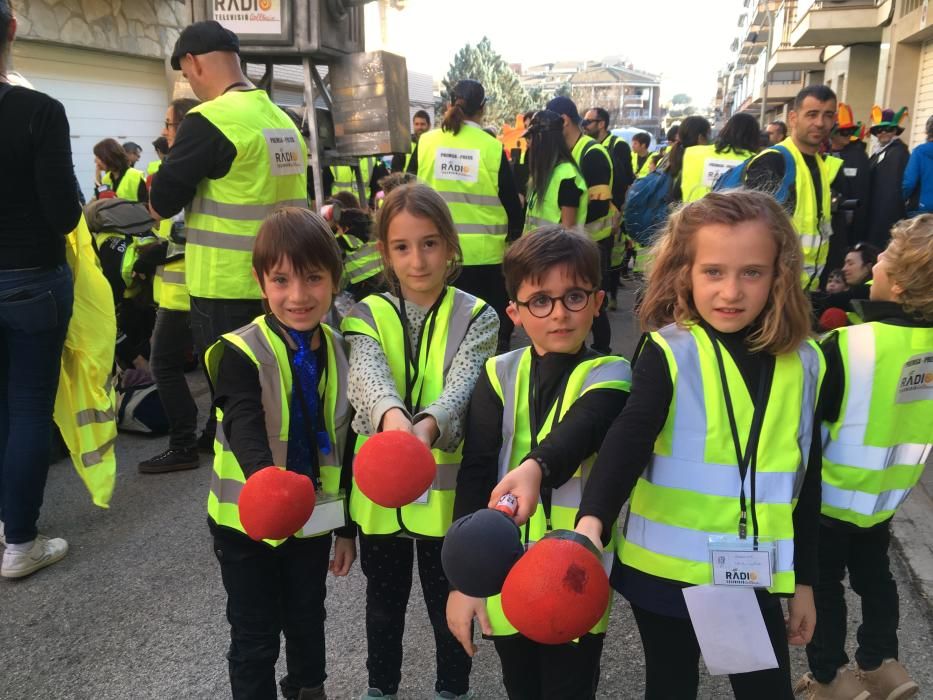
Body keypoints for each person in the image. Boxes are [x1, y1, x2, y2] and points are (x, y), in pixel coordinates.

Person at [575, 190, 823, 698]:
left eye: (751, 272)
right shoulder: (670, 350)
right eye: (713, 271)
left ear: (780, 274)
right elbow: (630, 435)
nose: (730, 291)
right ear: (684, 271)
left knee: (765, 690)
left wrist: (805, 581)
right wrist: (591, 522)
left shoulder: (807, 364)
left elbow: (807, 478)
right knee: (670, 686)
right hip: (665, 575)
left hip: (749, 572)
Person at [447, 226, 631, 699]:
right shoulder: (497, 372)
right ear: (515, 312)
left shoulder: (612, 372)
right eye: (540, 301)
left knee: (570, 688)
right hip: (506, 568)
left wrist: (534, 468)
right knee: (520, 686)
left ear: (596, 301)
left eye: (574, 296)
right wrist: (465, 580)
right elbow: (477, 471)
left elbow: (583, 428)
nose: (559, 314)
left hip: (574, 572)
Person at [340, 184, 498, 700]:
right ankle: (380, 689)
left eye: (430, 243)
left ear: (450, 245)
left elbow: (463, 385)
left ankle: (452, 689)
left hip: (446, 500)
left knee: (445, 604)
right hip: (379, 494)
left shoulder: (479, 316)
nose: (418, 259)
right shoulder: (363, 314)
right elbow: (368, 378)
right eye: (402, 247)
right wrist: (394, 426)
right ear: (384, 252)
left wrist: (422, 432)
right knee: (382, 605)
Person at [206, 207, 356, 700]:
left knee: (308, 616)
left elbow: (348, 440)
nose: (298, 296)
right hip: (246, 522)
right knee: (254, 634)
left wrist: (345, 528)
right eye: (282, 279)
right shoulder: (240, 350)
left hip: (311, 517)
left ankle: (308, 688)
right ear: (260, 281)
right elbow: (242, 419)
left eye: (313, 278)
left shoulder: (340, 349)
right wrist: (265, 481)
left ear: (333, 279)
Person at [149, 20, 308, 449]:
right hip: (285, 288)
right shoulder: (282, 120)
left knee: (237, 408)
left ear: (192, 63)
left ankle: (243, 500)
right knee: (280, 398)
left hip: (225, 292)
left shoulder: (209, 120)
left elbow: (160, 202)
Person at [795, 215, 933, 700]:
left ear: (896, 282)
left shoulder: (848, 347)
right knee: (876, 577)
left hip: (830, 497)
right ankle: (881, 663)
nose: (874, 263)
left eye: (884, 259)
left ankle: (830, 678)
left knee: (825, 585)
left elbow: (806, 424)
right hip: (883, 499)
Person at [0, 0, 82, 578]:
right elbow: (63, 212)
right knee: (29, 409)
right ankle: (19, 541)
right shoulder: (38, 111)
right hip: (32, 280)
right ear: (11, 29)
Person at [410, 79, 523, 352]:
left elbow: (406, 191)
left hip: (434, 254)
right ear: (482, 109)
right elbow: (511, 203)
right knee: (485, 332)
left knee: (441, 331)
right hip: (485, 258)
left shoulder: (426, 142)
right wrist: (515, 236)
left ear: (450, 103)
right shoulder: (491, 147)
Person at [138, 96, 202, 474]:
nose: (164, 132)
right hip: (194, 286)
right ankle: (208, 432)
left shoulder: (183, 168)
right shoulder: (197, 163)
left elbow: (178, 228)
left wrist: (156, 253)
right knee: (214, 367)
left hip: (183, 290)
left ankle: (183, 444)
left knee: (162, 364)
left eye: (169, 124)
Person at [746, 85, 838, 290]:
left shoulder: (820, 164)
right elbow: (752, 231)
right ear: (794, 118)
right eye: (812, 114)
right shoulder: (774, 161)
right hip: (773, 290)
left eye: (828, 115)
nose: (820, 123)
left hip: (804, 289)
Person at [546, 96, 614, 354]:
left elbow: (599, 204)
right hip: (577, 240)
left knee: (595, 301)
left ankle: (602, 351)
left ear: (563, 121)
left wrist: (570, 221)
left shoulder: (591, 153)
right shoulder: (571, 153)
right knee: (578, 298)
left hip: (594, 241)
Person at [826, 104, 871, 280]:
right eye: (843, 132)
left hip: (851, 219)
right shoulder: (824, 154)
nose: (847, 136)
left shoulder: (858, 155)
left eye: (849, 132)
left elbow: (862, 190)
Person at [522, 110, 587, 231]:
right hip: (537, 248)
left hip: (553, 250)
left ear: (541, 138)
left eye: (530, 138)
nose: (528, 145)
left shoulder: (567, 177)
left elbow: (569, 232)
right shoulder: (544, 173)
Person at [681, 112, 758, 202]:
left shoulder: (693, 152)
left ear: (726, 130)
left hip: (691, 212)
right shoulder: (755, 160)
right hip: (726, 214)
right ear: (754, 136)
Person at [867, 106, 910, 248]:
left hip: (887, 212)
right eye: (880, 130)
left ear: (895, 131)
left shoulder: (898, 152)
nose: (884, 132)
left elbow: (894, 186)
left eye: (889, 129)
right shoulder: (878, 152)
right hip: (875, 209)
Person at [812, 243, 879, 319]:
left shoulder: (870, 290)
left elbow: (834, 300)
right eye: (845, 264)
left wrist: (804, 297)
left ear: (868, 267)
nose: (844, 269)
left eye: (850, 264)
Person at [664, 115, 712, 203]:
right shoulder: (701, 161)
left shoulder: (673, 155)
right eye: (709, 134)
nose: (710, 139)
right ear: (700, 138)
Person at [94, 137, 148, 203]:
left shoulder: (136, 176)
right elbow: (102, 204)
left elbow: (146, 206)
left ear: (108, 157)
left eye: (98, 157)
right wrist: (98, 182)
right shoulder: (106, 178)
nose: (95, 161)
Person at [903, 114, 933, 216]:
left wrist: (901, 199)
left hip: (921, 210)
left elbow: (909, 183)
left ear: (928, 132)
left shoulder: (920, 151)